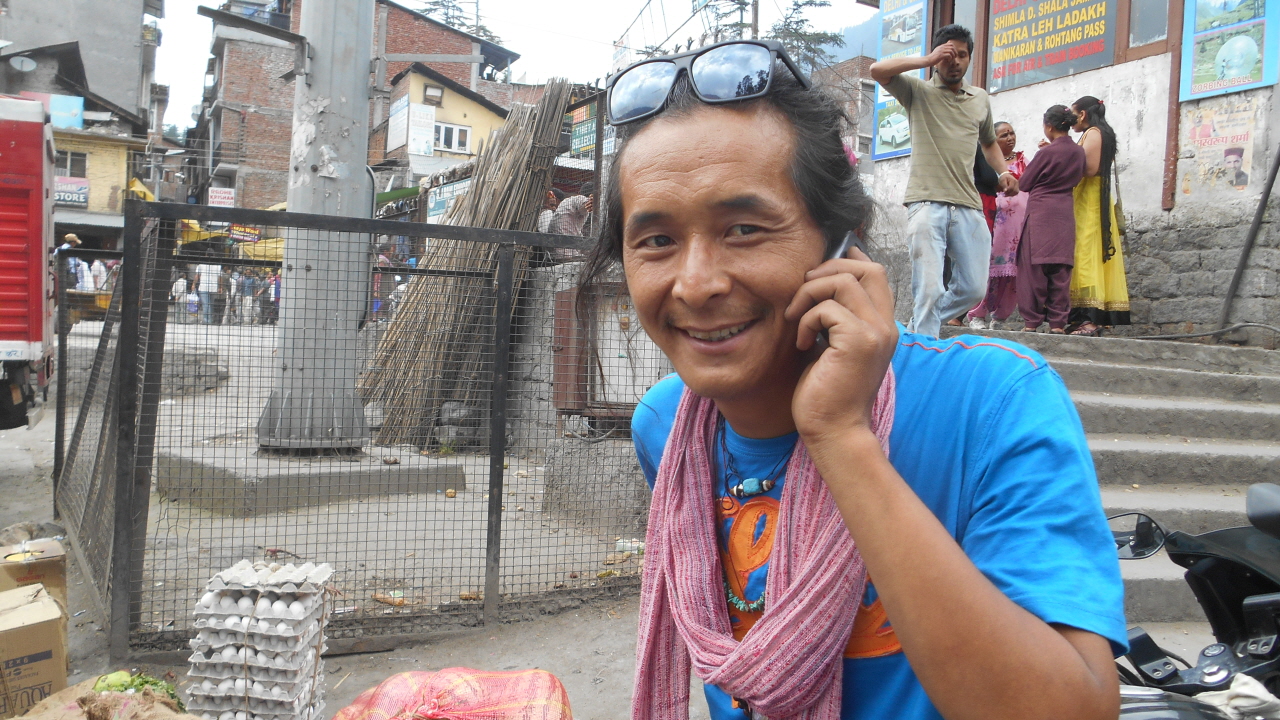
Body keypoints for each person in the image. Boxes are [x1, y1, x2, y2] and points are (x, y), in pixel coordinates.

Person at [588, 39, 1122, 720]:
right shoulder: (665, 428)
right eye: (656, 241)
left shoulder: (993, 404)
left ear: (843, 244)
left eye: (745, 228)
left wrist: (841, 437)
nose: (695, 284)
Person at [870, 25, 1019, 338]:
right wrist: (927, 58)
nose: (956, 61)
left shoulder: (979, 98)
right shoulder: (917, 92)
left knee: (974, 289)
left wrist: (1003, 171)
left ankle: (915, 331)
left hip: (968, 205)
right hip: (926, 204)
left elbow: (989, 142)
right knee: (929, 289)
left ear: (969, 59)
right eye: (949, 55)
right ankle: (922, 349)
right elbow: (877, 70)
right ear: (937, 58)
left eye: (962, 55)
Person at [1016, 106, 1087, 334]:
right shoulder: (1078, 152)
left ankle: (1031, 322)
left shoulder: (1045, 153)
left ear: (1049, 126)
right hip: (1065, 212)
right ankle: (1057, 324)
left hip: (1041, 213)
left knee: (1033, 270)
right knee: (1061, 269)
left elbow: (1025, 183)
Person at [1068, 96, 1131, 335]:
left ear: (1082, 114)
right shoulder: (1103, 132)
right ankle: (1088, 319)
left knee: (1086, 256)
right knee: (1090, 256)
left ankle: (1088, 319)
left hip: (1090, 202)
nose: (1071, 121)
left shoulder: (1093, 133)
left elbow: (1090, 168)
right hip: (1094, 201)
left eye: (1073, 114)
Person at [967, 122, 1028, 329]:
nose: (1010, 138)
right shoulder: (988, 163)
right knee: (988, 269)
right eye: (1004, 135)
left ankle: (1000, 316)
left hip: (1017, 228)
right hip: (995, 223)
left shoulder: (1023, 161)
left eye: (1012, 133)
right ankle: (977, 315)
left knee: (1012, 273)